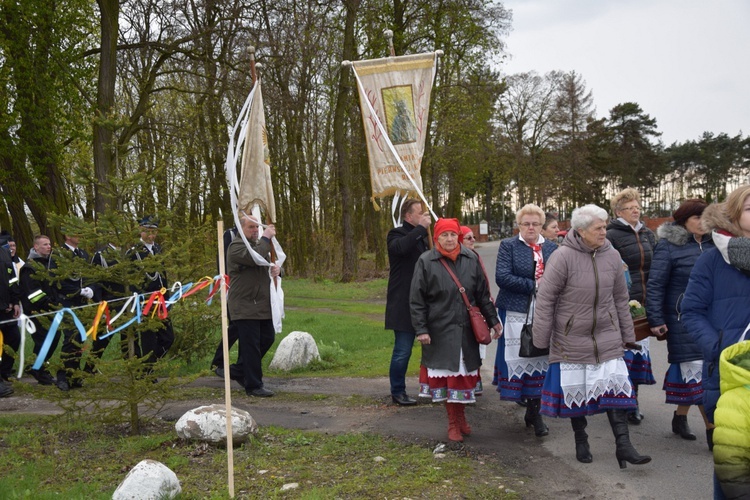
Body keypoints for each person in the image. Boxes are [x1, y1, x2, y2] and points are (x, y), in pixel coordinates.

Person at [534, 204, 651, 468]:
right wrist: (542, 340)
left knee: (616, 390)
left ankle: (624, 446)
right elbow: (546, 299)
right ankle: (580, 439)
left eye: (605, 226)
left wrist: (627, 334)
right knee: (579, 393)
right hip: (571, 337)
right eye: (599, 227)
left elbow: (622, 298)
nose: (604, 231)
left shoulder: (612, 254)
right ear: (581, 230)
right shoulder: (563, 257)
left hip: (607, 335)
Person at [681, 185, 750, 499]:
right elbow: (691, 311)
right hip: (732, 377)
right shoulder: (710, 261)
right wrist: (722, 349)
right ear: (734, 214)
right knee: (732, 473)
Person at [410, 218, 502, 442]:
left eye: (453, 234)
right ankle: (452, 423)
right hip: (439, 330)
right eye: (444, 235)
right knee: (449, 378)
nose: (449, 239)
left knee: (462, 378)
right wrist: (421, 329)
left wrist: (493, 321)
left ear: (458, 236)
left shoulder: (471, 258)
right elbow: (416, 299)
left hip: (466, 330)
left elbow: (482, 295)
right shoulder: (425, 261)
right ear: (437, 238)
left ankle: (461, 418)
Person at [645, 199, 715, 441]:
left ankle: (680, 416)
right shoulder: (668, 246)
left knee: (705, 371)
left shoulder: (715, 244)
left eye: (706, 217)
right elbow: (655, 284)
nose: (703, 223)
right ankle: (713, 431)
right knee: (698, 371)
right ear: (684, 221)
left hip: (714, 320)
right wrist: (655, 319)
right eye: (697, 218)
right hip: (681, 318)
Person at [494, 204, 557, 436]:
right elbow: (502, 277)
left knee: (542, 358)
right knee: (523, 356)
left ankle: (535, 411)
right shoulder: (508, 246)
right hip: (516, 312)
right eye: (526, 224)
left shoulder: (552, 248)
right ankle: (533, 410)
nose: (531, 228)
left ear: (541, 225)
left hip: (545, 311)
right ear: (519, 225)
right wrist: (535, 285)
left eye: (535, 224)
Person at [607, 188, 657, 424]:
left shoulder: (647, 233)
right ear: (619, 212)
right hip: (621, 303)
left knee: (637, 357)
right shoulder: (611, 235)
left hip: (644, 303)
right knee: (622, 355)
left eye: (638, 207)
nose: (636, 210)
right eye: (630, 207)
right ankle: (621, 402)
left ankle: (632, 400)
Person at [226, 214, 281, 397]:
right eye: (251, 227)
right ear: (241, 229)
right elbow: (255, 258)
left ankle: (238, 370)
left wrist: (277, 270)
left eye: (257, 227)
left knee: (267, 338)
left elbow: (267, 262)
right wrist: (266, 237)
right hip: (244, 304)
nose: (255, 230)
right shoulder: (236, 247)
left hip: (261, 304)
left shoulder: (259, 246)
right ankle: (253, 385)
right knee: (250, 346)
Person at [385, 199, 430, 406]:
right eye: (420, 213)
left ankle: (433, 386)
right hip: (403, 303)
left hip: (424, 302)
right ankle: (397, 391)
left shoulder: (423, 238)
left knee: (432, 349)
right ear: (408, 216)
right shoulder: (396, 235)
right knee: (403, 350)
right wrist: (421, 228)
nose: (424, 216)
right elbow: (402, 249)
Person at [127, 216, 174, 366]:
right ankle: (147, 372)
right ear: (141, 231)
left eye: (154, 232)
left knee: (168, 337)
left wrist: (167, 299)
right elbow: (132, 280)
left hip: (160, 301)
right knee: (148, 339)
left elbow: (162, 276)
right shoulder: (134, 252)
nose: (151, 235)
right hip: (145, 301)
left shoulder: (157, 249)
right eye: (147, 231)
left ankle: (150, 364)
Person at [55, 232, 95, 390]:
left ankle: (74, 374)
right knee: (70, 338)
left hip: (81, 302)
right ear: (66, 235)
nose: (79, 236)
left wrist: (91, 289)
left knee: (80, 339)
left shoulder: (83, 254)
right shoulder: (59, 254)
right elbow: (57, 280)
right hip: (67, 301)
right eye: (75, 233)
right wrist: (77, 291)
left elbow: (90, 276)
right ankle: (63, 375)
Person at [19, 235, 59, 386]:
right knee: (44, 340)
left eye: (49, 244)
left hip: (49, 310)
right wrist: (49, 303)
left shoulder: (49, 264)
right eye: (44, 244)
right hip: (36, 312)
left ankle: (36, 365)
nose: (48, 247)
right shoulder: (30, 267)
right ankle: (39, 370)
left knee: (53, 337)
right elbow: (33, 294)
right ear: (35, 247)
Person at [0, 232, 21, 396]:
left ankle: (4, 373)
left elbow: (12, 278)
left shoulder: (4, 250)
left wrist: (14, 301)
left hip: (6, 308)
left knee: (14, 338)